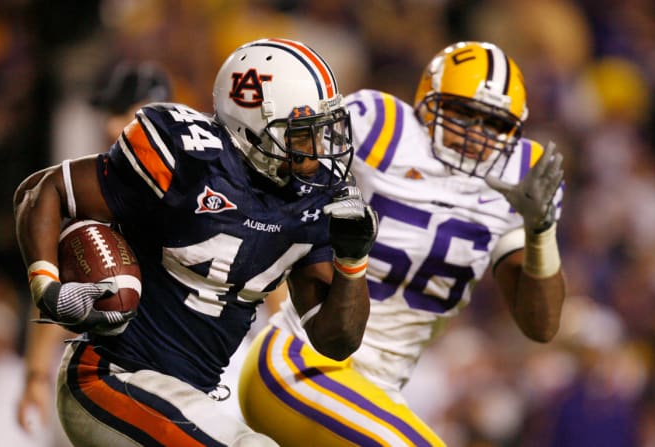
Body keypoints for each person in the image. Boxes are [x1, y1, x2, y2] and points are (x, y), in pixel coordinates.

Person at [13, 37, 377, 447]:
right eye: (301, 134)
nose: (318, 149)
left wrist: (352, 262)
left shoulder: (314, 198)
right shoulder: (187, 159)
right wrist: (45, 284)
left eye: (322, 131)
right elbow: (42, 191)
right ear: (253, 127)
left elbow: (336, 341)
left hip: (189, 395)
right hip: (112, 376)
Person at [238, 41, 566, 446]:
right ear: (428, 99)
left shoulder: (519, 178)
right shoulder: (381, 125)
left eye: (494, 122)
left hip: (377, 393)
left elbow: (542, 325)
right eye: (464, 111)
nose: (476, 133)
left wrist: (540, 231)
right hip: (300, 360)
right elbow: (283, 197)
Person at [15, 60, 173, 442]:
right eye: (110, 112)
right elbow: (62, 297)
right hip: (116, 364)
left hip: (198, 362)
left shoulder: (199, 185)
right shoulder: (94, 189)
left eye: (121, 112)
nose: (108, 125)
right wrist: (36, 376)